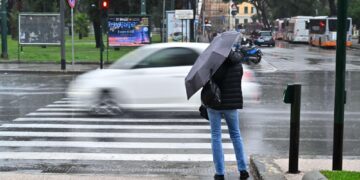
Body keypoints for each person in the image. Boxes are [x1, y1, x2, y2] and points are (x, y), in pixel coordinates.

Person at [201, 50, 249, 180]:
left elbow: (207, 83)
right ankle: (243, 169)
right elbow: (237, 81)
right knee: (236, 134)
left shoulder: (213, 63)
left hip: (215, 104)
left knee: (216, 136)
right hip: (232, 104)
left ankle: (220, 172)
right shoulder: (237, 63)